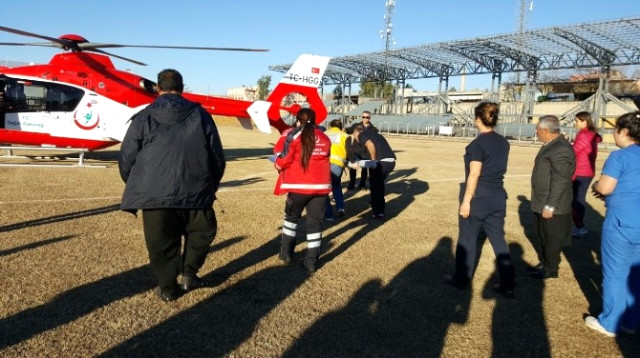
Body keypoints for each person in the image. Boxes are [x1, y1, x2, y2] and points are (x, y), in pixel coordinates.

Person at [119, 69, 226, 302]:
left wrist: (140, 186)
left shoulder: (143, 117)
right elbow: (217, 156)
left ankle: (168, 287)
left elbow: (127, 157)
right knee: (202, 232)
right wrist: (210, 185)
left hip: (154, 194)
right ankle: (189, 274)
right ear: (182, 87)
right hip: (196, 191)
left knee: (161, 241)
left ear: (158, 88)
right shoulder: (201, 115)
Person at [443, 102, 515, 298]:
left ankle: (461, 279)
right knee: (498, 240)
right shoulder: (503, 142)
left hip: (478, 198)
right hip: (498, 196)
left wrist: (466, 201)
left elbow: (474, 174)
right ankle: (508, 283)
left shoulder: (476, 145)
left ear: (477, 119)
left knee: (467, 239)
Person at [584, 111, 640, 337]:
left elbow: (606, 187)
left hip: (622, 221)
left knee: (616, 272)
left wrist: (598, 186)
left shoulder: (620, 156)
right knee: (635, 273)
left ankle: (610, 322)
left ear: (624, 132)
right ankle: (632, 320)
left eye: (616, 129)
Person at [274, 108, 331, 273]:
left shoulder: (294, 135)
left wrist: (277, 163)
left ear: (298, 120)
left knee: (291, 219)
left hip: (299, 186)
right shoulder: (324, 137)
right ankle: (311, 262)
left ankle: (286, 254)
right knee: (315, 224)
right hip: (320, 188)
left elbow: (284, 159)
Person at [529, 115, 575, 279]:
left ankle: (550, 268)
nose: (536, 133)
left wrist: (551, 205)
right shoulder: (551, 145)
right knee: (541, 234)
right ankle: (545, 263)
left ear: (546, 131)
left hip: (552, 204)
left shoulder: (561, 149)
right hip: (541, 200)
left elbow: (561, 180)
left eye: (538, 130)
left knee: (551, 237)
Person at [351, 123, 395, 220]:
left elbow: (370, 144)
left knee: (375, 188)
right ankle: (379, 209)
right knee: (378, 186)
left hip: (380, 163)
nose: (355, 138)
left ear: (356, 132)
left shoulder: (362, 134)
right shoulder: (377, 135)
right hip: (390, 162)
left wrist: (373, 161)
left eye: (354, 135)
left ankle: (378, 212)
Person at [571, 111, 602, 237]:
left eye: (577, 120)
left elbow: (574, 152)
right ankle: (578, 226)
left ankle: (579, 226)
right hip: (588, 171)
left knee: (575, 200)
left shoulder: (583, 135)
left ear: (585, 121)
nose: (575, 123)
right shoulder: (592, 134)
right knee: (578, 199)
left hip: (580, 171)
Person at [325, 119, 348, 219]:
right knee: (336, 186)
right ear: (341, 127)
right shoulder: (345, 136)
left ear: (330, 126)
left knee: (325, 188)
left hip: (324, 163)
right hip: (338, 163)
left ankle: (328, 214)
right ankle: (340, 208)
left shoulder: (324, 134)